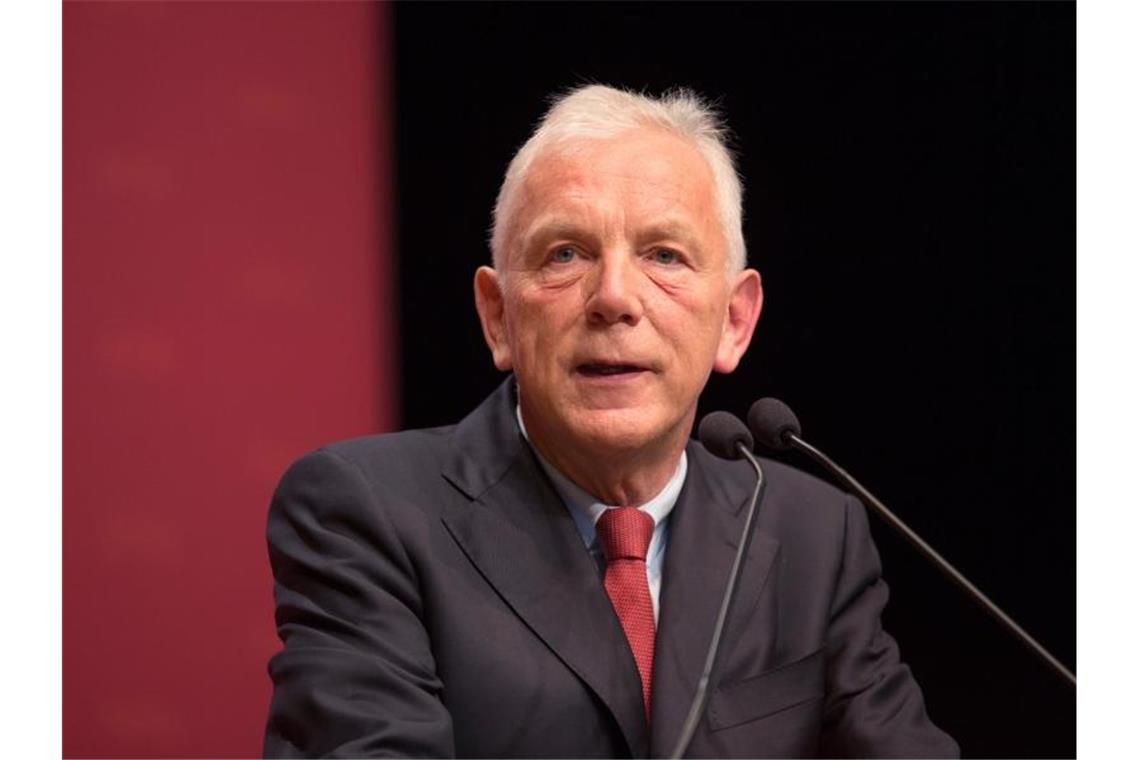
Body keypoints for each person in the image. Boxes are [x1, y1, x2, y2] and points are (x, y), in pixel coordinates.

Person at [263, 84, 958, 758]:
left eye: (664, 256)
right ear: (498, 315)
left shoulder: (811, 532)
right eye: (566, 253)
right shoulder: (367, 511)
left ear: (735, 321)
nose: (615, 298)